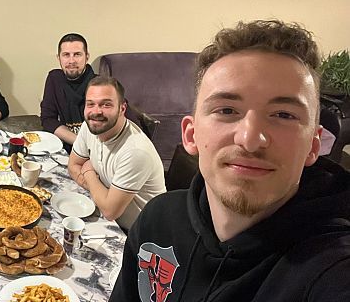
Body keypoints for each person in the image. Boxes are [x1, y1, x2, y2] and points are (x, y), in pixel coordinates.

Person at [109, 20, 350, 302]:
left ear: (313, 145)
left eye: (283, 115)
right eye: (226, 110)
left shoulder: (331, 270)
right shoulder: (156, 221)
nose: (250, 139)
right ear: (190, 135)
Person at [68, 76, 166, 232]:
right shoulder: (91, 126)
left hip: (140, 233)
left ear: (122, 109)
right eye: (90, 104)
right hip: (110, 220)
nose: (96, 112)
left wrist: (88, 173)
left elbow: (110, 211)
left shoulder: (136, 151)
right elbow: (73, 165)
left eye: (106, 104)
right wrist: (101, 195)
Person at [40, 33, 96, 152]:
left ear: (87, 57)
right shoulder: (54, 79)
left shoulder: (101, 84)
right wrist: (80, 144)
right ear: (58, 58)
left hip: (96, 150)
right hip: (71, 147)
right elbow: (48, 119)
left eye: (77, 54)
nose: (71, 61)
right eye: (66, 55)